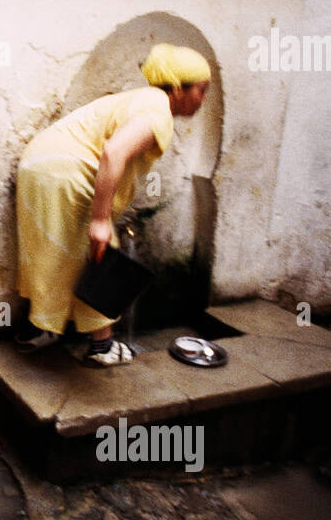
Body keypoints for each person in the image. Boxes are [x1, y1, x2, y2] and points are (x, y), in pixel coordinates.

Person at [13, 43, 212, 365]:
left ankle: (43, 328)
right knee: (102, 256)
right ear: (178, 89)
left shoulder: (139, 98)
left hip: (38, 164)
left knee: (53, 252)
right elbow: (114, 153)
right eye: (201, 90)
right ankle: (102, 346)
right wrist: (100, 220)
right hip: (66, 173)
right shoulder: (157, 111)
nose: (203, 100)